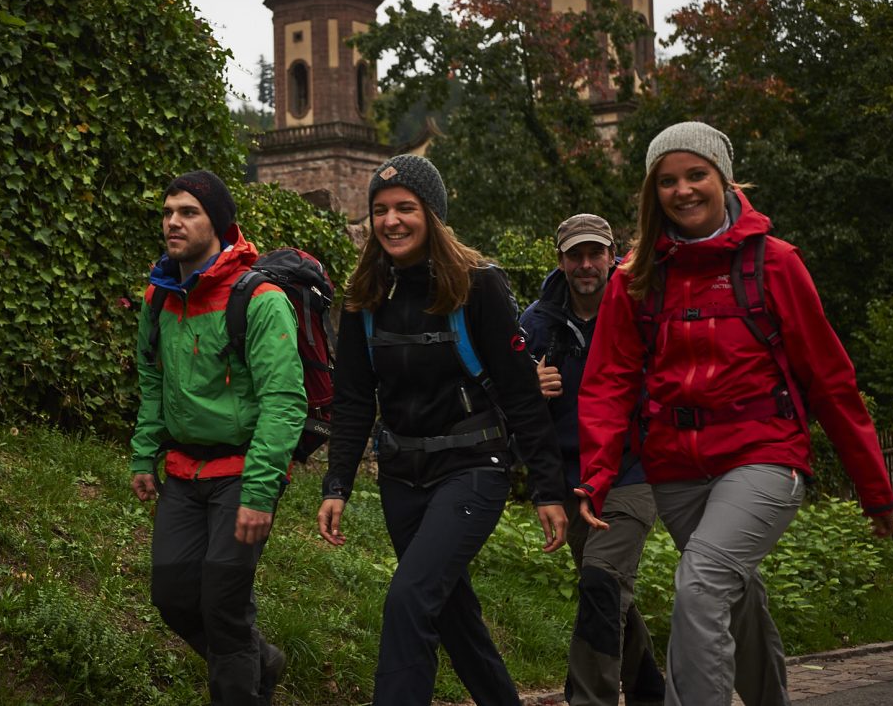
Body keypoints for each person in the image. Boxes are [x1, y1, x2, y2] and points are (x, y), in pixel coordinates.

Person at [575, 121, 893, 706]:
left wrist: (874, 488)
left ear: (723, 179)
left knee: (700, 586)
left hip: (764, 455)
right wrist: (598, 475)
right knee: (732, 593)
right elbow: (608, 383)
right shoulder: (636, 278)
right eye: (667, 181)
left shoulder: (775, 264)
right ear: (653, 194)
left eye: (696, 174)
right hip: (675, 469)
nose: (683, 190)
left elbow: (831, 380)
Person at [316, 154, 567, 706]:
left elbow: (521, 395)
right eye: (380, 210)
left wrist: (547, 489)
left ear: (431, 214)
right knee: (452, 613)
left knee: (409, 599)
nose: (391, 221)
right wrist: (337, 484)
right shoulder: (364, 296)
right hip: (402, 475)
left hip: (473, 468)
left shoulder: (478, 285)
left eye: (405, 208)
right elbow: (354, 399)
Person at [129, 170, 306, 706]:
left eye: (189, 212)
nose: (173, 222)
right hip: (184, 472)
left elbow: (284, 401)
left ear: (219, 223)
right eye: (168, 212)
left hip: (242, 472)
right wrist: (144, 454)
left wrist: (260, 492)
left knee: (223, 606)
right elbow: (153, 380)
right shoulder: (159, 297)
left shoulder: (261, 299)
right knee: (173, 597)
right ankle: (261, 660)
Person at [521, 214, 665, 706]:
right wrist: (529, 387)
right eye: (575, 255)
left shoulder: (640, 307)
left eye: (595, 253)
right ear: (560, 261)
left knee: (602, 584)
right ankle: (651, 693)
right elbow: (511, 405)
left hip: (632, 472)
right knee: (606, 591)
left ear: (611, 255)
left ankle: (587, 699)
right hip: (573, 481)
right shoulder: (536, 324)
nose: (586, 265)